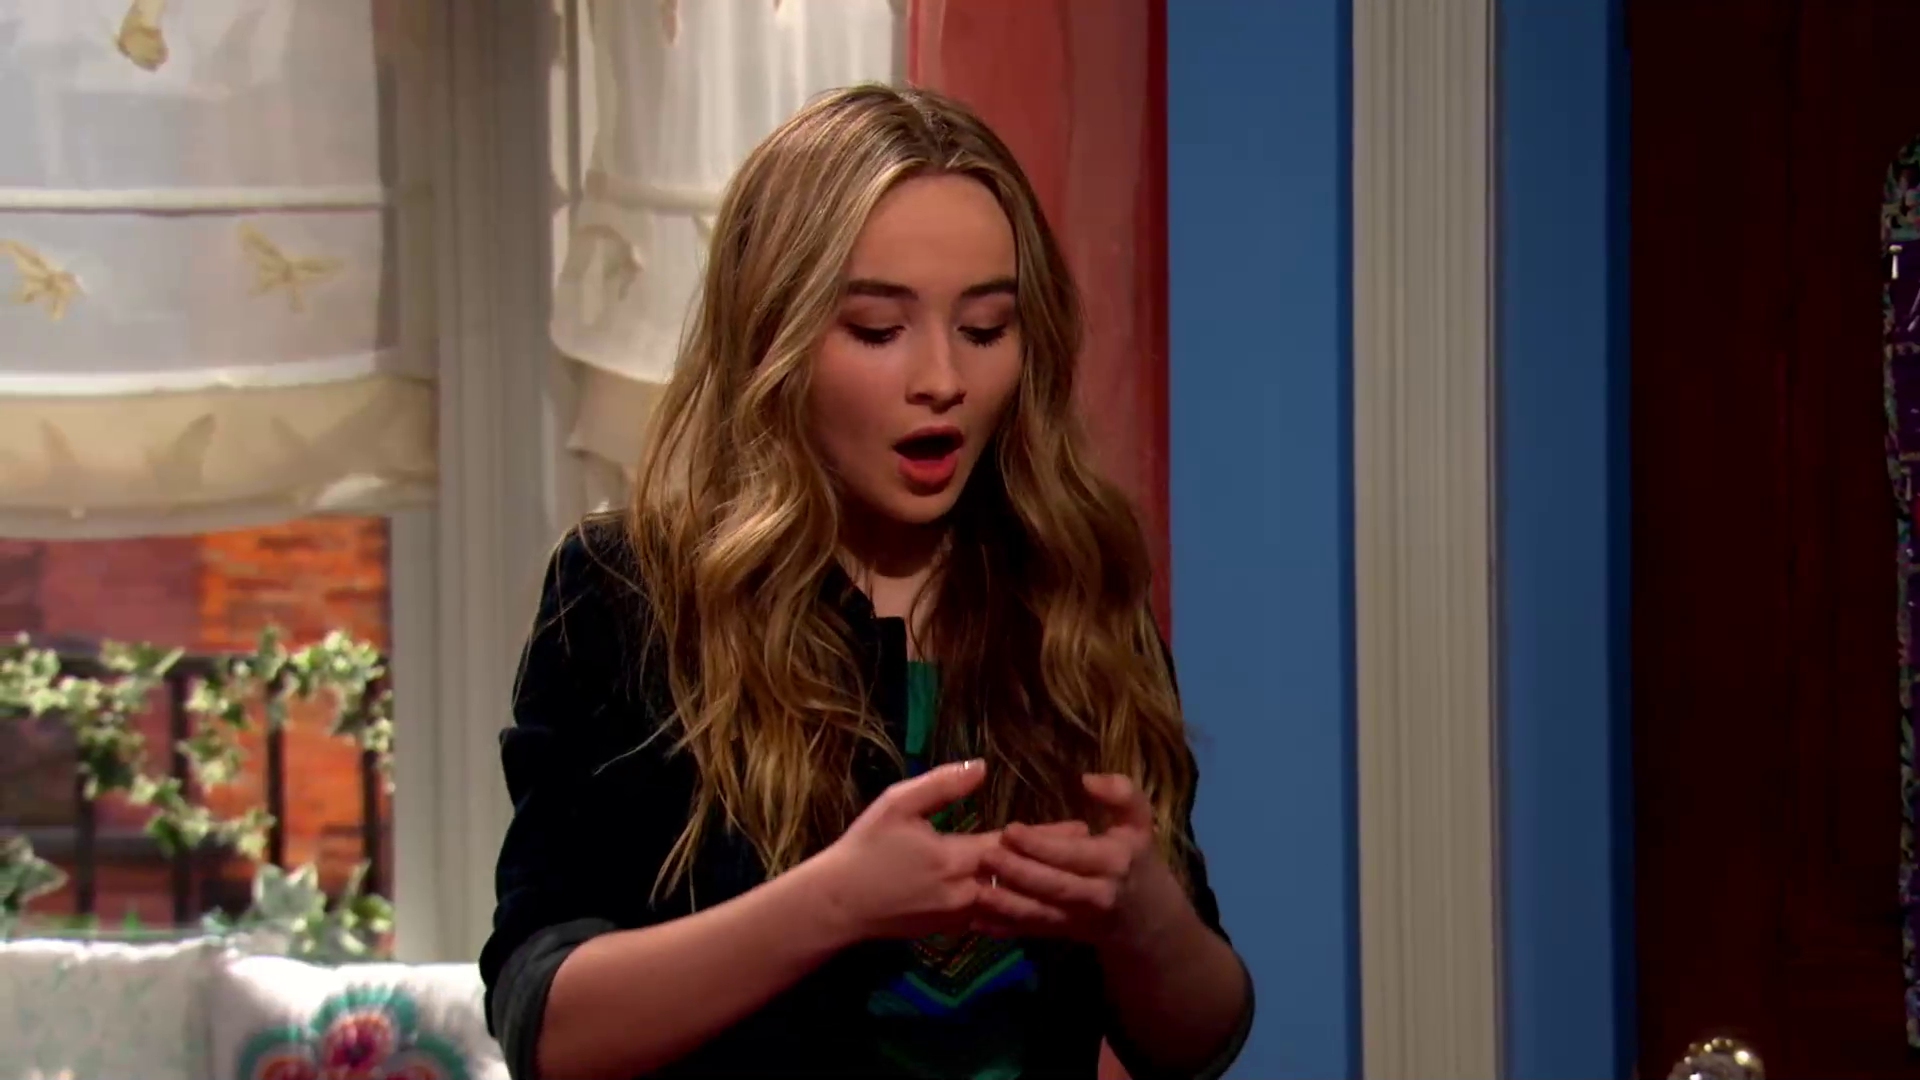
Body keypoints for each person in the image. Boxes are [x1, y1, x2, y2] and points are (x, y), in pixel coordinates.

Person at [479, 83, 1254, 1080]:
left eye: (985, 329)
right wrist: (834, 901)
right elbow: (546, 1026)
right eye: (880, 330)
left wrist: (1144, 912)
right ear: (775, 335)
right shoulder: (634, 599)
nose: (943, 380)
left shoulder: (1072, 590)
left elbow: (1197, 1043)